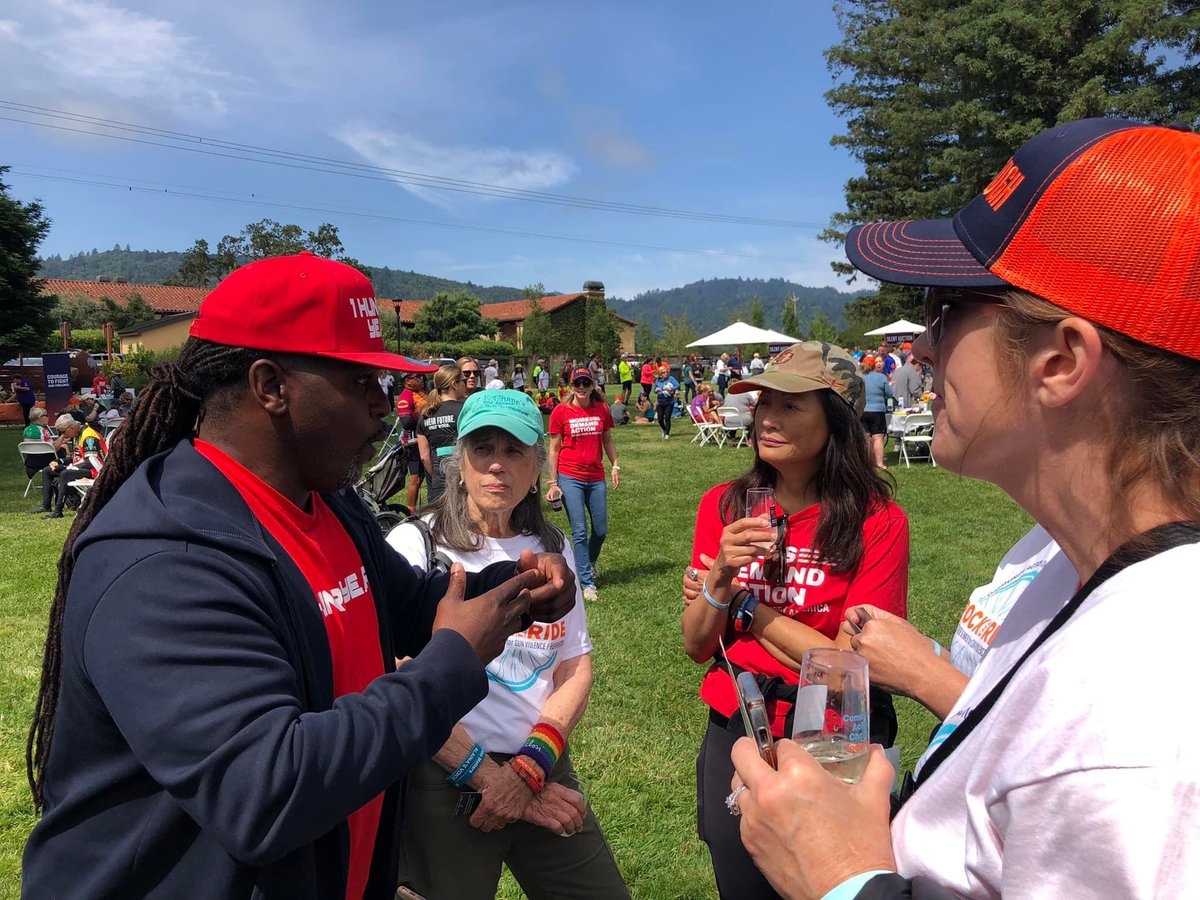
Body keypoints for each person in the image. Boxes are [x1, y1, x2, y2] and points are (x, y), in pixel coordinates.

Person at [729, 118, 1200, 900]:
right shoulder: (1067, 558)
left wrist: (843, 882)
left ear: (1061, 359)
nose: (919, 350)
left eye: (945, 309)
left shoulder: (1143, 722)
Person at [21, 252, 576, 900]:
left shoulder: (327, 503)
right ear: (270, 385)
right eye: (360, 382)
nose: (383, 407)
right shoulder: (162, 565)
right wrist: (451, 664)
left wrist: (518, 590)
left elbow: (412, 606)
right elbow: (264, 792)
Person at [681, 341, 909, 899]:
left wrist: (745, 609)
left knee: (825, 880)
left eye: (791, 405)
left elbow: (848, 666)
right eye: (763, 403)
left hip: (833, 733)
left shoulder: (877, 522)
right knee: (740, 879)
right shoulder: (725, 506)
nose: (767, 418)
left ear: (835, 421)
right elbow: (695, 645)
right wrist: (717, 582)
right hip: (738, 721)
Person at [385, 390, 629, 899]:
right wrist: (484, 775)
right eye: (482, 448)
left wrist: (529, 768)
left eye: (514, 450)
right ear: (459, 462)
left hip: (540, 765)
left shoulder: (553, 549)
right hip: (443, 777)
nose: (497, 464)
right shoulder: (417, 545)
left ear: (538, 465)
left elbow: (574, 667)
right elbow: (396, 679)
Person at [844, 524, 1071, 723]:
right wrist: (923, 648)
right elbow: (984, 677)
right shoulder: (1047, 537)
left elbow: (1046, 741)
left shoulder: (1096, 569)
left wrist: (920, 671)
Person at [547, 367, 620, 602]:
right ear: (571, 386)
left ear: (592, 385)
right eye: (577, 384)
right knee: (579, 531)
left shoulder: (602, 410)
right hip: (570, 477)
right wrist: (552, 482)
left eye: (585, 383)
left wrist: (615, 465)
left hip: (596, 477)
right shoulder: (561, 412)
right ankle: (586, 582)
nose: (581, 388)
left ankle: (588, 562)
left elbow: (607, 439)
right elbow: (554, 449)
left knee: (601, 530)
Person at [34, 414, 108, 519]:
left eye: (63, 432)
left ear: (72, 427)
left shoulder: (89, 437)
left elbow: (92, 461)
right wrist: (58, 461)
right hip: (84, 467)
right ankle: (46, 506)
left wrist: (70, 467)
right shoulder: (77, 434)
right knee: (48, 470)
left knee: (66, 473)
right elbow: (76, 457)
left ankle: (58, 511)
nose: (62, 435)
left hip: (96, 470)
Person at [416, 365, 468, 505]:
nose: (466, 383)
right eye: (464, 380)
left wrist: (435, 476)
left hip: (437, 484)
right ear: (454, 384)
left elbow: (424, 457)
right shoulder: (464, 410)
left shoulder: (425, 414)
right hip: (461, 482)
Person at [396, 371, 427, 508]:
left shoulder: (423, 392)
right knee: (416, 479)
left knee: (425, 477)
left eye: (422, 377)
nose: (421, 380)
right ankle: (411, 511)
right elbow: (406, 423)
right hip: (413, 443)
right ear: (408, 381)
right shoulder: (405, 397)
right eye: (417, 377)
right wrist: (427, 422)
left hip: (425, 439)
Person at [860, 356, 893, 469]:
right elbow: (889, 393)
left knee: (865, 438)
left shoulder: (859, 378)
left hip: (862, 410)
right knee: (877, 438)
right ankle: (879, 463)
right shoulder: (881, 377)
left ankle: (866, 463)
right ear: (874, 365)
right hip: (877, 411)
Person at [653, 364, 680, 440]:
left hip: (669, 401)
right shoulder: (657, 381)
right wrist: (657, 390)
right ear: (660, 374)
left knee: (667, 418)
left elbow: (677, 385)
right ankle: (664, 429)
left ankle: (667, 434)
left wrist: (671, 388)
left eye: (667, 372)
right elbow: (654, 390)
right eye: (664, 372)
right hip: (660, 401)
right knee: (660, 419)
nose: (666, 373)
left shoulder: (670, 378)